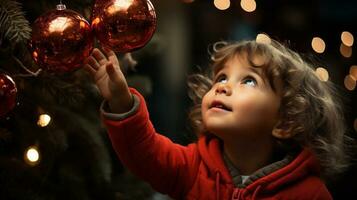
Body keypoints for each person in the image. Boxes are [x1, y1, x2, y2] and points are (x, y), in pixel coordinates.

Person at [84, 40, 348, 199]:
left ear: (285, 121)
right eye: (221, 77)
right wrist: (121, 102)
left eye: (248, 80)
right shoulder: (192, 167)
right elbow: (144, 153)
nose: (222, 87)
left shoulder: (308, 194)